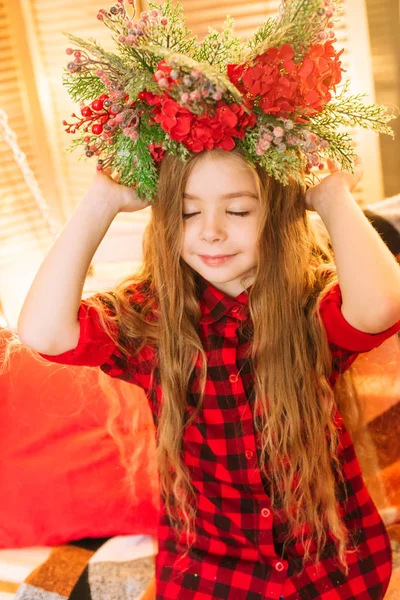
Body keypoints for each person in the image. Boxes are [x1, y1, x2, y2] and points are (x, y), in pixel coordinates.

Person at [16, 1, 400, 599]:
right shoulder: (149, 318)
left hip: (332, 569)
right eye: (189, 213)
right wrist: (96, 203)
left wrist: (328, 193)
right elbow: (43, 334)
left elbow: (381, 306)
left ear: (275, 215)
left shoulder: (307, 302)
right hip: (211, 576)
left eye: (239, 210)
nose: (212, 231)